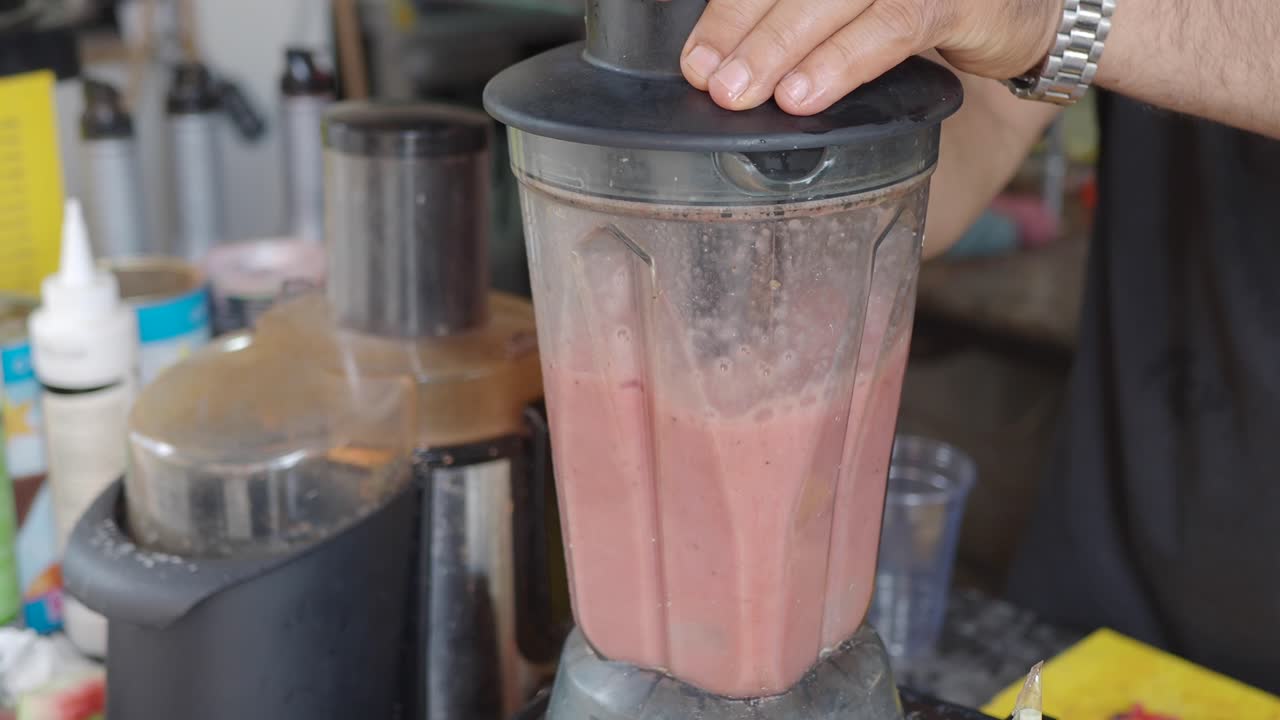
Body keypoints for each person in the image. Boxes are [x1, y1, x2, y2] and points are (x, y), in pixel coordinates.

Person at [678, 0, 1280, 693]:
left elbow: (1028, 18)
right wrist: (773, 168)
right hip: (1108, 584)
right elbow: (979, 122)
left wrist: (1060, 17)